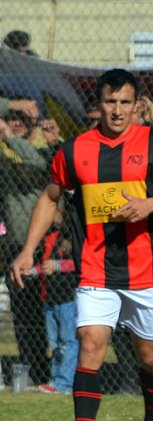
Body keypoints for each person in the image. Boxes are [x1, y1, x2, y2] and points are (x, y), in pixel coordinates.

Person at [8, 68, 153, 421]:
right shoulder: (75, 151)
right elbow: (49, 197)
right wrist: (27, 251)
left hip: (145, 270)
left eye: (125, 102)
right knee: (90, 346)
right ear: (98, 104)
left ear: (137, 105)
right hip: (95, 269)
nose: (117, 110)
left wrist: (149, 205)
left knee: (150, 358)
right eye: (110, 102)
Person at [0, 110, 51, 387]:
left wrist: (11, 138)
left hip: (46, 247)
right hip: (15, 247)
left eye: (20, 119)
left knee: (52, 313)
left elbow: (39, 164)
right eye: (10, 119)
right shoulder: (3, 152)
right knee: (23, 314)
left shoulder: (42, 144)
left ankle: (59, 371)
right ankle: (32, 368)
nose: (15, 124)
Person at [35, 200, 78, 394]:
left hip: (67, 296)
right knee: (54, 342)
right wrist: (32, 271)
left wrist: (58, 266)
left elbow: (81, 263)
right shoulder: (49, 237)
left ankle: (64, 383)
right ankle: (55, 380)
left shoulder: (73, 236)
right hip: (50, 296)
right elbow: (45, 264)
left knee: (68, 340)